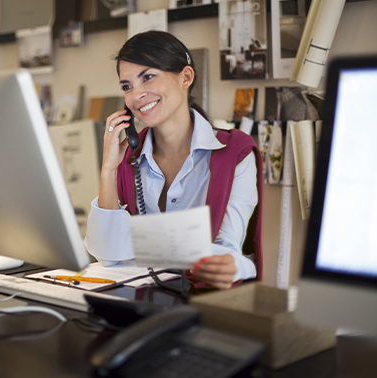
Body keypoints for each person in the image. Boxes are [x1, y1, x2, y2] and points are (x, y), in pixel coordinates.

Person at [84, 31, 263, 291]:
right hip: (141, 303)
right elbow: (108, 255)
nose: (136, 96)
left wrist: (235, 266)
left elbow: (228, 249)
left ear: (185, 77)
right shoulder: (128, 159)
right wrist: (108, 169)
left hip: (204, 304)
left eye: (147, 77)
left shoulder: (235, 153)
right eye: (127, 86)